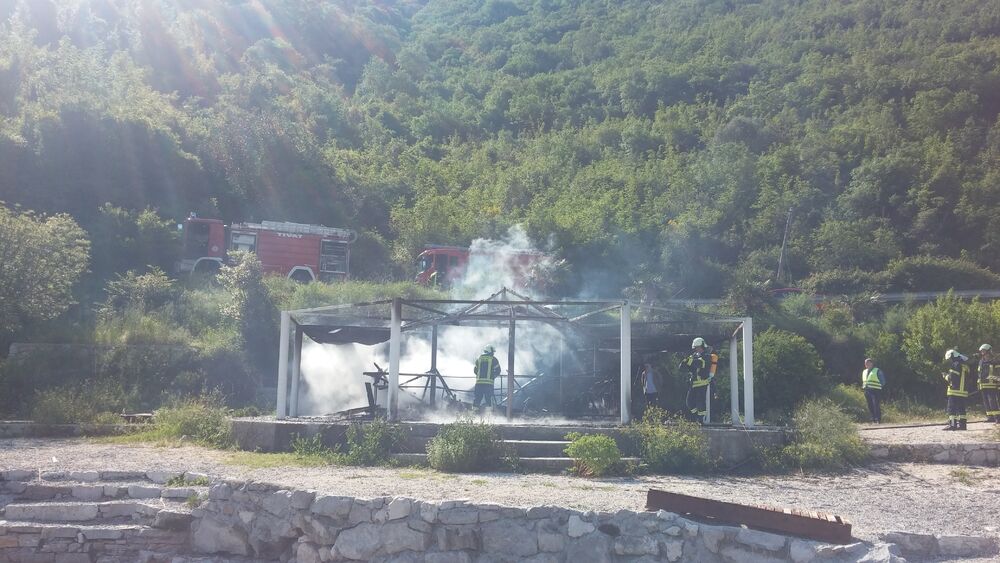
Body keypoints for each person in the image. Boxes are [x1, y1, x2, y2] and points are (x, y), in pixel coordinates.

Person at [681, 337, 718, 423]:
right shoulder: (694, 356)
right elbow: (682, 367)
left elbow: (700, 364)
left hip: (702, 383)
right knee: (689, 402)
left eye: (698, 347)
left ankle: (701, 420)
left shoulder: (707, 357)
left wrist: (689, 361)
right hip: (693, 384)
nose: (697, 349)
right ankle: (696, 417)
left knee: (700, 403)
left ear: (702, 346)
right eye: (696, 348)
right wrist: (685, 362)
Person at [943, 349, 972, 431]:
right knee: (961, 408)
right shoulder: (965, 366)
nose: (950, 360)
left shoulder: (955, 365)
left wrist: (945, 376)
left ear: (952, 357)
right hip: (963, 392)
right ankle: (963, 425)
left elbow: (952, 378)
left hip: (954, 391)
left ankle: (952, 425)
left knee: (951, 408)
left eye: (950, 359)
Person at [473, 345, 501, 410]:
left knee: (477, 399)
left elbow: (475, 370)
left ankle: (473, 416)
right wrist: (493, 377)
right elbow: (498, 370)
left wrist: (479, 377)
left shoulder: (479, 359)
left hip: (478, 383)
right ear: (490, 351)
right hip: (488, 384)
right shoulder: (493, 359)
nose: (493, 353)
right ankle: (488, 416)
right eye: (493, 352)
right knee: (489, 400)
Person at [977, 344, 999, 423]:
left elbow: (998, 373)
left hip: (992, 384)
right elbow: (979, 373)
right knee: (986, 401)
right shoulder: (981, 361)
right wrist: (978, 383)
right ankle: (990, 417)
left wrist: (997, 381)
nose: (982, 352)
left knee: (992, 401)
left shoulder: (995, 361)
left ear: (988, 351)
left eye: (984, 351)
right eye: (981, 351)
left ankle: (997, 417)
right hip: (983, 385)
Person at [861, 358, 885, 423]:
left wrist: (878, 387)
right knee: (870, 405)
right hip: (867, 390)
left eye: (868, 363)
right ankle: (873, 419)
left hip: (875, 391)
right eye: (865, 363)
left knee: (876, 405)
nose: (866, 364)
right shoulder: (864, 371)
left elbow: (883, 381)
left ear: (872, 363)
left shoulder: (877, 370)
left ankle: (878, 419)